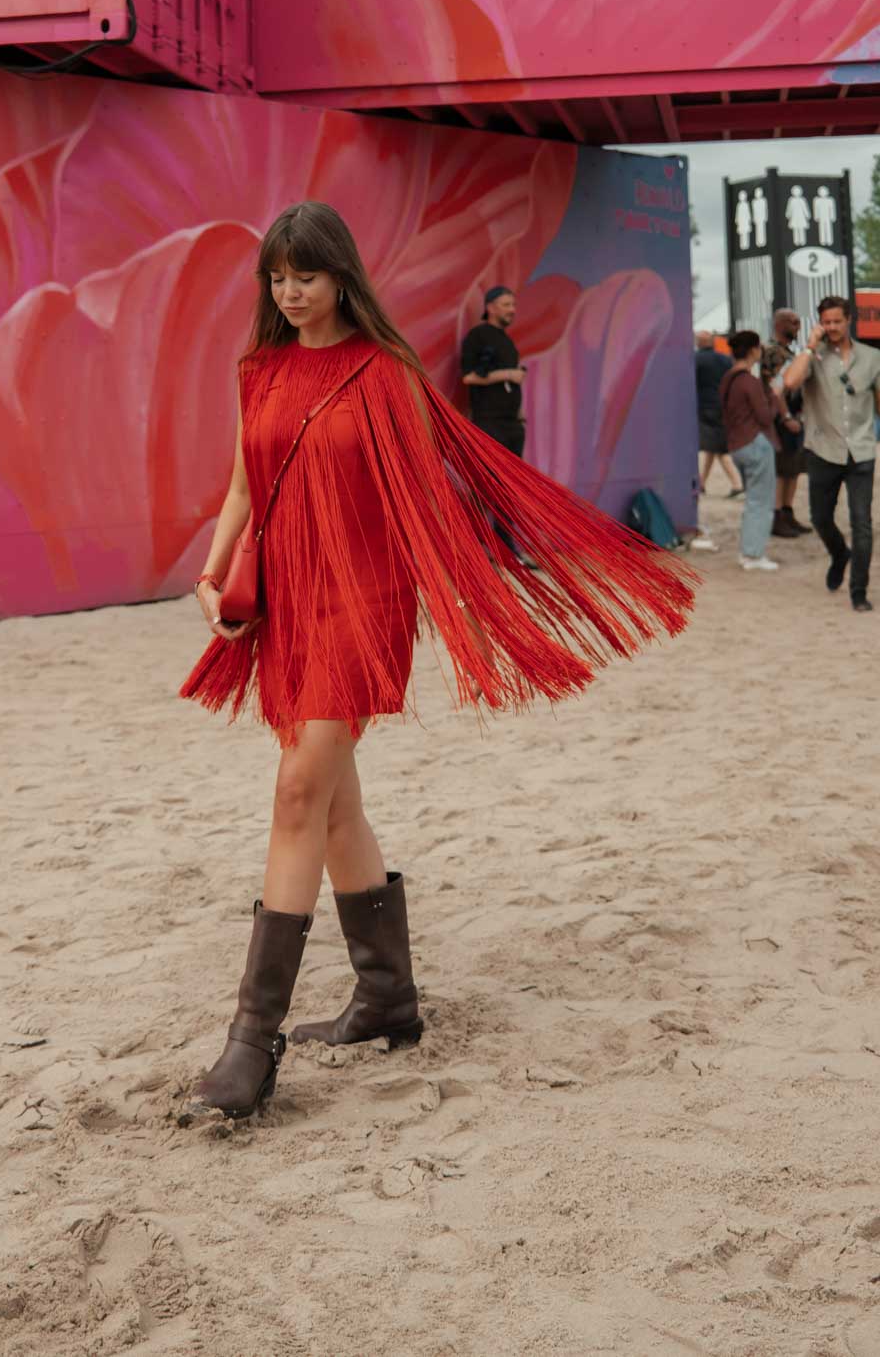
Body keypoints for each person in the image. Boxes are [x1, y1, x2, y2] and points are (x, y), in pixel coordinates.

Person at [179, 201, 694, 1120]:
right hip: (289, 600)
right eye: (277, 277)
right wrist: (215, 577)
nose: (290, 293)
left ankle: (250, 1045)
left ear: (341, 274)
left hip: (363, 600)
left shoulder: (385, 374)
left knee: (299, 791)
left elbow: (420, 500)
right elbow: (244, 481)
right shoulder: (258, 369)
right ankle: (386, 1000)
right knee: (333, 800)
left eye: (306, 275)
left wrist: (466, 598)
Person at [782, 296, 880, 613]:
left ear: (849, 320)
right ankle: (840, 555)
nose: (832, 327)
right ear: (820, 323)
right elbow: (790, 382)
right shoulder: (812, 357)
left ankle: (859, 591)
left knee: (862, 523)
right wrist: (810, 347)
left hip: (862, 450)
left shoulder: (872, 357)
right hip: (823, 450)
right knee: (821, 518)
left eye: (837, 321)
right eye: (827, 322)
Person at [719, 330, 780, 572]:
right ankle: (753, 554)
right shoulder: (750, 382)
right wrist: (775, 398)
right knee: (761, 502)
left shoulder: (728, 378)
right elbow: (765, 417)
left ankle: (748, 552)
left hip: (736, 445)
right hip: (755, 443)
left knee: (753, 501)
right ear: (754, 349)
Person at [460, 285, 527, 459]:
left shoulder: (507, 340)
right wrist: (509, 374)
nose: (512, 310)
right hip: (490, 423)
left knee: (514, 478)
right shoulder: (478, 336)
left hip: (512, 424)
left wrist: (519, 415)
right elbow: (468, 377)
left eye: (513, 305)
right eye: (506, 305)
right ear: (490, 307)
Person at [761, 309, 812, 538]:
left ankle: (787, 512)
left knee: (793, 469)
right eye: (794, 322)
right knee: (782, 469)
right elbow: (775, 389)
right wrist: (786, 417)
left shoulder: (789, 352)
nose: (798, 326)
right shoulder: (772, 351)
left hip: (795, 417)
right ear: (780, 323)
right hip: (782, 420)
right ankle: (777, 517)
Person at [694, 331, 742, 496]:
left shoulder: (695, 360)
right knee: (712, 446)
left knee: (719, 448)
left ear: (698, 343)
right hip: (724, 406)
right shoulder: (725, 359)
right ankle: (701, 483)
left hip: (705, 408)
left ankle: (737, 484)